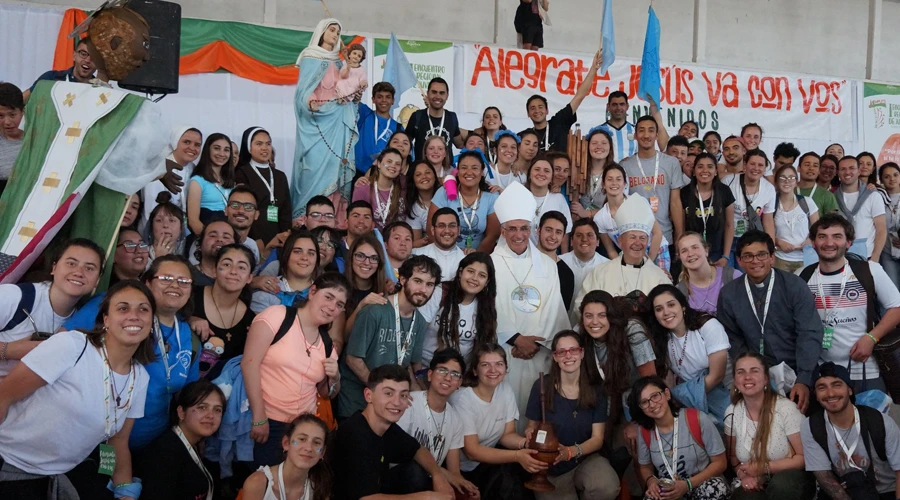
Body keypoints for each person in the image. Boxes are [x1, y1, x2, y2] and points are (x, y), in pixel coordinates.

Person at [0, 281, 152, 499]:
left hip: (60, 476)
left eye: (143, 309)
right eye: (123, 308)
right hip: (11, 467)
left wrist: (123, 490)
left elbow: (115, 442)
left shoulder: (140, 378)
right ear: (106, 320)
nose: (134, 316)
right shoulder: (72, 345)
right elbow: (4, 396)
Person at [66, 254, 201, 448]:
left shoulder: (190, 339)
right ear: (147, 283)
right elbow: (63, 346)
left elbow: (188, 396)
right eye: (166, 278)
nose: (175, 285)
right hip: (92, 437)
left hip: (153, 443)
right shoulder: (114, 306)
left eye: (183, 281)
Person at [243, 272, 348, 467]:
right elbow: (249, 363)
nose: (332, 307)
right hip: (268, 419)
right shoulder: (277, 315)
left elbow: (325, 393)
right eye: (328, 297)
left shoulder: (327, 344)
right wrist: (259, 417)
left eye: (339, 304)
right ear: (312, 292)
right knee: (265, 479)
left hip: (303, 428)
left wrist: (335, 378)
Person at [490, 182, 570, 428]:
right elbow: (486, 310)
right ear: (502, 231)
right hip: (504, 352)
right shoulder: (489, 264)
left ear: (531, 229)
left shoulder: (547, 265)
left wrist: (534, 344)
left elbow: (555, 309)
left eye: (524, 228)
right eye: (512, 229)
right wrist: (515, 339)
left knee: (537, 414)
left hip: (538, 353)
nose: (518, 235)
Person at [717, 230, 823, 413]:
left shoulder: (794, 286)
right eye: (748, 256)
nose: (755, 261)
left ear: (772, 257)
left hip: (798, 372)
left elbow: (809, 332)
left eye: (761, 254)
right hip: (757, 377)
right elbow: (733, 338)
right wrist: (750, 374)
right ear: (739, 261)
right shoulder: (729, 294)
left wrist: (804, 379)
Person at [799, 214, 900, 393]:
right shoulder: (802, 276)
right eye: (822, 236)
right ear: (813, 242)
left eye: (837, 236)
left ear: (849, 242)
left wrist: (872, 338)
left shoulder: (870, 270)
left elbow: (897, 308)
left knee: (871, 412)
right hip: (823, 373)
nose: (829, 243)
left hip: (866, 369)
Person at [337, 255, 441, 419]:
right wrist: (380, 391)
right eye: (418, 281)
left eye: (430, 284)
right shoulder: (375, 311)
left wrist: (422, 400)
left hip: (388, 405)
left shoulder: (419, 322)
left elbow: (408, 365)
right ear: (403, 279)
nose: (423, 289)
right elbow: (353, 359)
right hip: (356, 404)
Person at [331, 364, 455, 500]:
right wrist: (426, 497)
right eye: (388, 393)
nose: (397, 402)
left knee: (415, 471)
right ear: (368, 395)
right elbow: (365, 498)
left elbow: (417, 449)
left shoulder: (386, 427)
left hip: (377, 490)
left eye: (403, 395)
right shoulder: (355, 434)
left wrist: (437, 474)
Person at [524, 330, 620, 500]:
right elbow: (531, 427)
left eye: (573, 350)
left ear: (582, 353)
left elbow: (597, 439)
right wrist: (530, 435)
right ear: (555, 357)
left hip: (584, 458)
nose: (568, 356)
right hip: (551, 467)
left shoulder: (596, 389)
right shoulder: (542, 386)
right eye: (561, 352)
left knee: (606, 487)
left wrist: (570, 452)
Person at [0, 238, 104, 378]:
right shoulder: (14, 296)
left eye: (89, 268)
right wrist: (10, 350)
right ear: (54, 268)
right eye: (71, 263)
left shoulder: (83, 320)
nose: (79, 272)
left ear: (97, 280)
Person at [450, 344, 540, 500]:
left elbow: (507, 435)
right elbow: (472, 452)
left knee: (522, 471)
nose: (493, 370)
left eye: (499, 364)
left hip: (488, 461)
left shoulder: (505, 389)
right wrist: (517, 456)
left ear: (506, 368)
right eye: (485, 365)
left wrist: (527, 444)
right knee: (508, 477)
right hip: (463, 469)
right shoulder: (463, 399)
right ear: (475, 370)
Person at [292, 19, 359, 223]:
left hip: (338, 121)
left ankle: (333, 219)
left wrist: (354, 94)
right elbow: (303, 91)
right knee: (313, 168)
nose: (335, 34)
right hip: (317, 122)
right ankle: (305, 218)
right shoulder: (310, 56)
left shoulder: (339, 63)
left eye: (338, 31)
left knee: (337, 167)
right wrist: (310, 101)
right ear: (321, 31)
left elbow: (347, 87)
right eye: (332, 30)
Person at [801, 362, 900, 500]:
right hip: (845, 492)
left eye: (837, 385)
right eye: (822, 387)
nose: (830, 393)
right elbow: (824, 477)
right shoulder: (811, 425)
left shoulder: (880, 421)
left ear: (850, 390)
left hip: (884, 492)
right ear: (816, 395)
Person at [725, 353, 814, 500]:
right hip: (755, 479)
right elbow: (734, 458)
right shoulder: (732, 412)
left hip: (790, 478)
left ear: (766, 378)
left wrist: (765, 468)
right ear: (735, 380)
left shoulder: (786, 408)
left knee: (781, 486)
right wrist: (744, 476)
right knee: (745, 497)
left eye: (754, 371)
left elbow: (804, 458)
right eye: (741, 372)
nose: (747, 377)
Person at [396, 349, 480, 497]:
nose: (448, 378)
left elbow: (454, 473)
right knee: (415, 472)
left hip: (433, 480)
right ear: (430, 375)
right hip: (402, 479)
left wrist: (468, 490)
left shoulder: (455, 419)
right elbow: (402, 455)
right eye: (442, 370)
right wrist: (440, 473)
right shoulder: (409, 404)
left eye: (455, 374)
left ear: (459, 383)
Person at [630, 376, 729, 500]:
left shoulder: (696, 419)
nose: (652, 404)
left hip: (700, 484)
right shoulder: (644, 430)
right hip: (669, 489)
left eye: (655, 396)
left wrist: (687, 485)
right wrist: (651, 481)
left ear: (666, 394)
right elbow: (645, 467)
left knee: (716, 488)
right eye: (645, 402)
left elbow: (720, 463)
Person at [647, 284, 730, 424]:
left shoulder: (708, 325)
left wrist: (678, 395)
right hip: (694, 401)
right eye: (659, 309)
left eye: (671, 305)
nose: (666, 312)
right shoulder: (662, 338)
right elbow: (668, 382)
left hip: (727, 394)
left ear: (683, 306)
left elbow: (717, 376)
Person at [578, 291, 657, 439]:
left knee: (633, 438)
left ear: (611, 315)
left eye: (602, 315)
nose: (594, 322)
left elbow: (651, 381)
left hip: (635, 399)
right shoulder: (580, 333)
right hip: (603, 400)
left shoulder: (632, 330)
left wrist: (638, 421)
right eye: (589, 316)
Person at [135, 379, 226, 500]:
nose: (210, 415)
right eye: (202, 407)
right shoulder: (165, 453)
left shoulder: (191, 443)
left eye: (217, 409)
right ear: (181, 412)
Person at [574, 194, 672, 306]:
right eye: (632, 237)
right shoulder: (601, 273)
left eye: (642, 238)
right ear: (620, 240)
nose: (638, 243)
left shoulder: (659, 277)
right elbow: (581, 305)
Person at [189, 244, 256, 380]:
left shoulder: (250, 320)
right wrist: (188, 319)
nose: (233, 271)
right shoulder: (191, 296)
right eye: (227, 264)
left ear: (249, 278)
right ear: (214, 270)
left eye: (241, 267)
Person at [419, 252, 497, 366]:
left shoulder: (485, 306)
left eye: (482, 275)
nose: (474, 278)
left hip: (459, 372)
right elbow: (417, 332)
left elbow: (484, 347)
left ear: (487, 282)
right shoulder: (441, 292)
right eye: (470, 271)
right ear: (460, 273)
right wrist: (416, 370)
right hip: (424, 367)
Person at [621, 115, 686, 251]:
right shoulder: (625, 166)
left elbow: (675, 202)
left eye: (651, 130)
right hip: (635, 238)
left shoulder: (671, 163)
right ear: (635, 135)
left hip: (665, 237)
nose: (646, 135)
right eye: (641, 130)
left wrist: (680, 236)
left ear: (657, 135)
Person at [519, 51, 601, 153]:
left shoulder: (559, 122)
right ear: (528, 113)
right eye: (532, 108)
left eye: (540, 107)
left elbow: (579, 96)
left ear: (547, 110)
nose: (537, 111)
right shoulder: (525, 137)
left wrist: (594, 69)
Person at [241, 413, 332, 500]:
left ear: (322, 452)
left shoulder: (319, 488)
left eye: (316, 443)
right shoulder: (258, 483)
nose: (309, 448)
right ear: (286, 443)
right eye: (302, 439)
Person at [594, 165, 667, 268]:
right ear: (603, 184)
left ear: (624, 184)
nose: (614, 183)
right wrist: (622, 269)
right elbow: (611, 251)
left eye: (618, 179)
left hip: (656, 250)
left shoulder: (638, 202)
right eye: (610, 179)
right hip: (632, 256)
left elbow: (657, 233)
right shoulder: (600, 218)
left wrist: (648, 263)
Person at [428, 150, 501, 253]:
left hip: (479, 255)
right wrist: (451, 255)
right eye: (464, 167)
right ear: (457, 171)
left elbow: (492, 236)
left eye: (474, 168)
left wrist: (475, 257)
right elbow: (431, 230)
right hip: (446, 253)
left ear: (482, 171)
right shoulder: (444, 193)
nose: (469, 172)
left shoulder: (491, 196)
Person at [234, 127, 291, 247]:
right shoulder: (241, 173)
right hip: (252, 237)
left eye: (268, 144)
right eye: (259, 144)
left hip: (278, 238)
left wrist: (285, 235)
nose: (265, 148)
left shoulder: (280, 176)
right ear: (249, 148)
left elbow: (286, 210)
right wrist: (255, 239)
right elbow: (245, 209)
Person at [724, 149, 777, 267]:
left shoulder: (769, 189)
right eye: (752, 164)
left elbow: (768, 222)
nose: (756, 168)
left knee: (745, 274)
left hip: (751, 241)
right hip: (728, 238)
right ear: (744, 165)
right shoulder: (729, 181)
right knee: (727, 274)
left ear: (765, 168)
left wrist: (771, 250)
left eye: (760, 165)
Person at [682, 152, 735, 265]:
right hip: (691, 253)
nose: (705, 170)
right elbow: (680, 227)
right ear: (694, 171)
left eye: (710, 167)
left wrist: (725, 256)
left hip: (718, 253)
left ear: (716, 171)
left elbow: (729, 225)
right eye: (700, 167)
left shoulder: (724, 191)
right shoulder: (684, 193)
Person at [142, 126, 203, 225]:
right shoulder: (160, 166)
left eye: (197, 145)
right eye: (187, 142)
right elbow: (151, 207)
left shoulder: (194, 169)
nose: (192, 148)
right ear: (175, 142)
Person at [251, 231, 320, 313]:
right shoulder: (266, 291)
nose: (305, 258)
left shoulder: (325, 294)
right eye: (297, 251)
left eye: (311, 253)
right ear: (286, 255)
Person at [676, 232, 741, 315]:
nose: (690, 254)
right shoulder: (679, 292)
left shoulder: (733, 277)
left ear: (706, 251)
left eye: (695, 247)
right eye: (684, 251)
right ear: (679, 257)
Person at [835, 155, 886, 259]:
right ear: (838, 173)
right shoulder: (832, 197)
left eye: (851, 168)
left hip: (867, 257)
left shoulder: (873, 195)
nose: (847, 172)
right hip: (838, 257)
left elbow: (881, 228)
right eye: (843, 169)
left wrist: (875, 258)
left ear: (859, 171)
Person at [341, 231, 388, 339]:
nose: (367, 262)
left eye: (374, 258)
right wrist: (361, 306)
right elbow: (343, 337)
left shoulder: (384, 289)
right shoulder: (338, 286)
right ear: (351, 257)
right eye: (360, 256)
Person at [406, 77, 465, 161]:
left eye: (442, 93)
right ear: (427, 94)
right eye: (434, 92)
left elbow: (460, 144)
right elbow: (406, 143)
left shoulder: (452, 117)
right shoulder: (417, 116)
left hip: (446, 168)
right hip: (422, 168)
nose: (438, 96)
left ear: (447, 96)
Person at [772, 165, 818, 272]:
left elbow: (818, 228)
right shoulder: (771, 204)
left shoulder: (807, 202)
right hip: (780, 258)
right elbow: (765, 230)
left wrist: (810, 239)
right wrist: (778, 242)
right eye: (782, 178)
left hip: (806, 257)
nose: (787, 181)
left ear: (796, 182)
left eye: (791, 178)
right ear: (776, 182)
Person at [187, 133, 235, 235]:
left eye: (226, 150)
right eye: (217, 148)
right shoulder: (197, 181)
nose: (222, 154)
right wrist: (208, 240)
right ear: (207, 150)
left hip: (228, 235)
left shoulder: (230, 181)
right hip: (207, 236)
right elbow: (193, 221)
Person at [23, 39, 96, 102]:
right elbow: (22, 101)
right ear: (74, 56)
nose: (87, 60)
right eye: (83, 54)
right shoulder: (50, 78)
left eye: (94, 56)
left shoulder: (99, 89)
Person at [353, 148, 407, 231]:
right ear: (378, 164)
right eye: (389, 161)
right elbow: (356, 220)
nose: (393, 166)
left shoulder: (404, 187)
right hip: (370, 236)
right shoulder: (363, 188)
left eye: (397, 164)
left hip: (397, 236)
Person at [570, 127, 617, 220]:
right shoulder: (577, 170)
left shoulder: (617, 172)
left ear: (610, 147)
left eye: (604, 143)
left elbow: (618, 206)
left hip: (607, 225)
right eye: (594, 143)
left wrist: (587, 213)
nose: (599, 146)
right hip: (582, 225)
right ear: (587, 147)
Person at [527, 156, 573, 245]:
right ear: (529, 174)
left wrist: (564, 254)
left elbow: (565, 232)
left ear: (551, 177)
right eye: (537, 169)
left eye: (546, 171)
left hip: (549, 252)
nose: (541, 173)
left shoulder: (559, 199)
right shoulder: (520, 196)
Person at [356, 82, 401, 172]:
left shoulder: (398, 127)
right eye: (380, 97)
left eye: (388, 97)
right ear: (373, 99)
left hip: (383, 173)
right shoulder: (364, 114)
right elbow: (352, 101)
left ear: (393, 101)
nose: (384, 100)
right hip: (358, 172)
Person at [412, 207, 466, 282]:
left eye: (452, 226)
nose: (447, 231)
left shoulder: (466, 259)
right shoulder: (416, 255)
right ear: (433, 230)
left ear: (459, 230)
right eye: (441, 226)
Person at [559, 219, 609, 299]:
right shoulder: (559, 263)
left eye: (589, 235)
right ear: (571, 241)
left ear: (597, 241)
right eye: (579, 235)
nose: (584, 239)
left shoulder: (607, 266)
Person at [537, 211, 575, 310]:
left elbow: (561, 312)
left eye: (558, 232)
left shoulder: (566, 274)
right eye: (548, 230)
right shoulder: (522, 261)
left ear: (563, 237)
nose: (553, 236)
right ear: (538, 231)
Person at [592, 91, 636, 163]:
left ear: (627, 106)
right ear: (608, 107)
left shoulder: (635, 131)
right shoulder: (598, 131)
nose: (618, 108)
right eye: (614, 105)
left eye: (622, 104)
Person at [191, 221, 237, 287]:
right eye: (213, 236)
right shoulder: (188, 274)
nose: (219, 239)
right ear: (200, 244)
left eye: (226, 237)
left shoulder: (239, 278)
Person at [405, 161, 439, 247]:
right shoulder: (414, 208)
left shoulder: (446, 194)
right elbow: (416, 243)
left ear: (435, 176)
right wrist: (427, 239)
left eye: (427, 172)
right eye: (418, 175)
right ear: (413, 181)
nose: (424, 177)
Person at [0, 83, 24, 197]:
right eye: (1, 116)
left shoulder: (36, 140)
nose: (7, 122)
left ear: (23, 112)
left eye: (12, 115)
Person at [879, 162, 900, 288]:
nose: (892, 179)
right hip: (886, 250)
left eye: (895, 175)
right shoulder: (878, 197)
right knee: (892, 289)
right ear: (881, 180)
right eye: (887, 176)